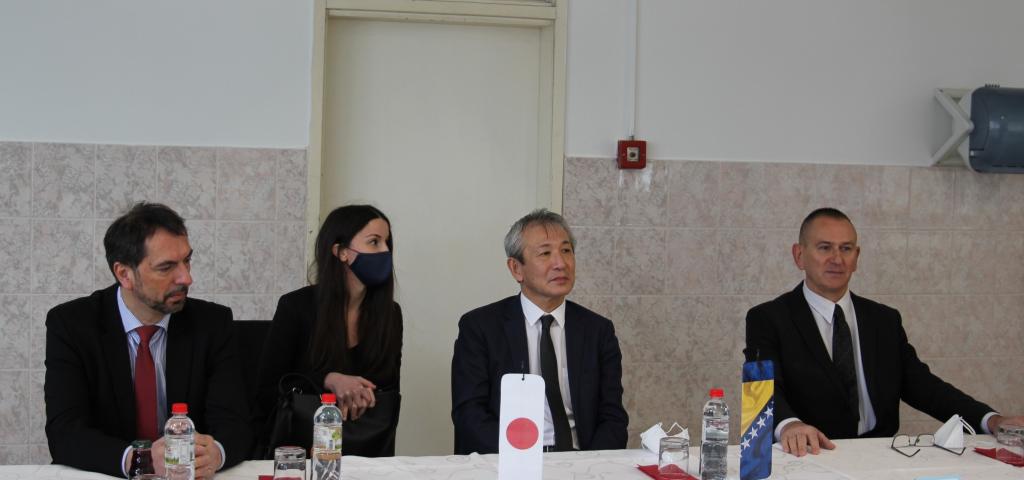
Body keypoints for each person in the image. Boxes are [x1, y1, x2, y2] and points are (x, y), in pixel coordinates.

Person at [744, 207, 1024, 457]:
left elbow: (924, 387)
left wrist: (990, 420)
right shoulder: (768, 318)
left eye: (846, 248)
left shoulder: (883, 320)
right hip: (808, 455)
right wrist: (789, 425)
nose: (837, 259)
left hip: (879, 457)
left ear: (856, 257)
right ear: (799, 255)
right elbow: (761, 389)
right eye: (825, 248)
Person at [44, 202, 251, 479]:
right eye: (166, 267)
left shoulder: (212, 323)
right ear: (124, 274)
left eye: (187, 260)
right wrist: (140, 460)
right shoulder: (72, 325)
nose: (186, 277)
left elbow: (235, 423)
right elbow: (65, 432)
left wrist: (217, 453)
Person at [451, 209, 628, 454]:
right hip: (509, 460)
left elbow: (613, 417)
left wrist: (589, 465)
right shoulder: (480, 328)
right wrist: (522, 460)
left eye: (566, 251)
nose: (561, 264)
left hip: (581, 459)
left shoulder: (598, 331)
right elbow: (469, 415)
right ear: (516, 269)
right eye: (545, 253)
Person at [255, 204, 403, 457]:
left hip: (366, 451)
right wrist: (329, 379)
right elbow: (268, 388)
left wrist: (363, 395)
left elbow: (389, 392)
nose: (385, 251)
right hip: (300, 449)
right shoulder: (296, 306)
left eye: (387, 243)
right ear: (341, 252)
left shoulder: (390, 313)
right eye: (374, 242)